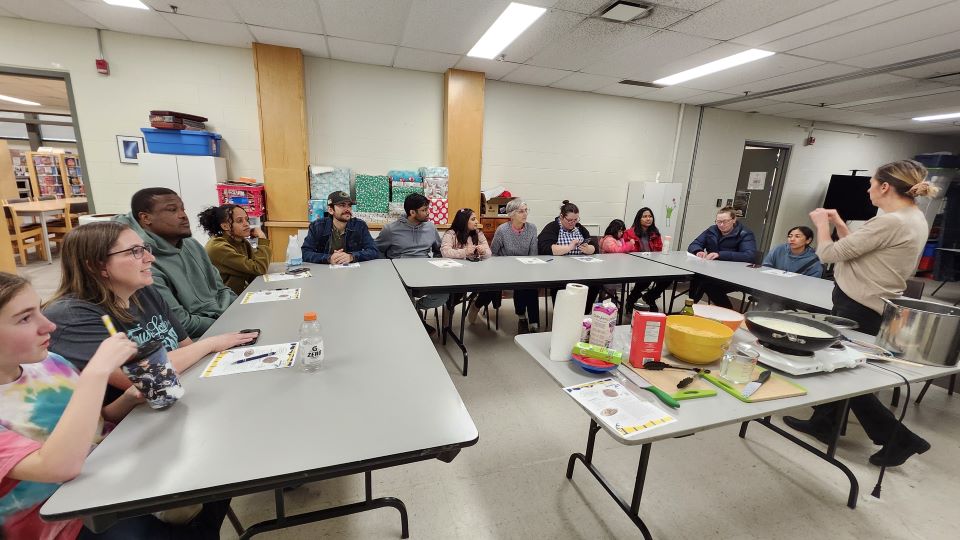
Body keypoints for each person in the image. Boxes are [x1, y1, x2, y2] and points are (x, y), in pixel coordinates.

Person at [0, 273, 231, 539]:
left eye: (39, 310)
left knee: (214, 476)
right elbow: (56, 467)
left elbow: (93, 425)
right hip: (64, 522)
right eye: (25, 318)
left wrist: (128, 399)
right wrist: (96, 372)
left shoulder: (50, 362)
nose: (49, 325)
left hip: (110, 474)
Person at [784, 159, 937, 467]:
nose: (868, 190)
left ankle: (899, 438)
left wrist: (821, 225)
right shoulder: (913, 218)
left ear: (885, 187)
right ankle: (824, 423)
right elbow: (856, 248)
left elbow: (828, 253)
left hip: (859, 305)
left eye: (871, 184)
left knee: (846, 374)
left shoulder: (891, 222)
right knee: (838, 368)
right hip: (871, 302)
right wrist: (840, 224)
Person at [43, 222, 257, 405]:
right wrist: (211, 344)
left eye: (145, 248)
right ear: (96, 265)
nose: (150, 258)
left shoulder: (144, 291)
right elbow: (145, 377)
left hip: (177, 396)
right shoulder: (70, 316)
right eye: (134, 251)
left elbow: (185, 346)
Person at [116, 188, 236, 339]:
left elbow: (222, 289)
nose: (183, 215)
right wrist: (230, 324)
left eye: (183, 209)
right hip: (197, 338)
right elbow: (181, 324)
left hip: (224, 321)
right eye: (172, 210)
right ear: (146, 218)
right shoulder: (144, 262)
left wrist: (242, 309)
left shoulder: (192, 245)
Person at [376, 193, 448, 333]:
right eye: (424, 210)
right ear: (412, 212)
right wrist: (388, 269)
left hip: (425, 271)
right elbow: (377, 250)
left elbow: (438, 250)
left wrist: (438, 265)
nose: (428, 213)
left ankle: (414, 308)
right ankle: (416, 324)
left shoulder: (430, 228)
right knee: (403, 295)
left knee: (444, 294)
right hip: (400, 274)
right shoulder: (390, 229)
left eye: (427, 209)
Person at [686, 207, 757, 309]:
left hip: (734, 275)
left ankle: (728, 311)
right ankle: (690, 307)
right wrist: (698, 251)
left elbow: (749, 255)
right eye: (718, 222)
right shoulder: (712, 230)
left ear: (734, 220)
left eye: (725, 221)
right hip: (712, 271)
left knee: (707, 283)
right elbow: (694, 244)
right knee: (698, 277)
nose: (721, 225)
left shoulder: (745, 234)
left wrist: (720, 255)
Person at [538, 200, 600, 314]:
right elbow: (544, 247)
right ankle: (562, 314)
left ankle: (583, 313)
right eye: (570, 220)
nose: (573, 223)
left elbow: (594, 245)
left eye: (576, 220)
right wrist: (569, 247)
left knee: (595, 283)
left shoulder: (579, 228)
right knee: (561, 286)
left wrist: (589, 249)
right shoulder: (552, 227)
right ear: (561, 217)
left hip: (580, 269)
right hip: (558, 270)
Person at [490, 199, 541, 333]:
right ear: (511, 214)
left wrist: (529, 269)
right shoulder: (502, 230)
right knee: (521, 284)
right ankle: (522, 317)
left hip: (526, 268)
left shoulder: (532, 228)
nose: (525, 214)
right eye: (521, 211)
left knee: (531, 285)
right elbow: (493, 253)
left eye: (526, 210)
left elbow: (533, 254)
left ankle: (533, 322)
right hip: (507, 269)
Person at [198, 204, 271, 295]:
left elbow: (254, 273)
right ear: (225, 226)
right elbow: (259, 269)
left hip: (238, 295)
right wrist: (262, 238)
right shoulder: (218, 247)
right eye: (239, 221)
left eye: (247, 219)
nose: (246, 224)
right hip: (225, 300)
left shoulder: (240, 241)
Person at [441, 208, 497, 325]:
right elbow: (445, 252)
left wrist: (483, 251)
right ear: (464, 221)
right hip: (457, 274)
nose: (476, 222)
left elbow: (489, 252)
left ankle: (476, 306)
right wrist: (464, 252)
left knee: (493, 288)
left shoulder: (478, 233)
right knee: (457, 291)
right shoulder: (451, 234)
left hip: (477, 273)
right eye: (473, 219)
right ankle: (449, 308)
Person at [301, 190, 379, 265]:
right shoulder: (317, 226)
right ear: (331, 210)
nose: (347, 209)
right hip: (325, 270)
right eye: (342, 205)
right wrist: (328, 258)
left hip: (353, 270)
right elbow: (305, 253)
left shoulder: (359, 225)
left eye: (349, 205)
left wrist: (351, 257)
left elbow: (373, 250)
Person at [623, 207, 670, 312]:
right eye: (645, 216)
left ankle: (651, 296)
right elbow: (626, 251)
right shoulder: (629, 233)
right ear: (639, 219)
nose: (648, 219)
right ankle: (632, 298)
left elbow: (659, 250)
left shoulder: (655, 233)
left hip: (652, 263)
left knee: (669, 277)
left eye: (650, 216)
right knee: (646, 278)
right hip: (634, 264)